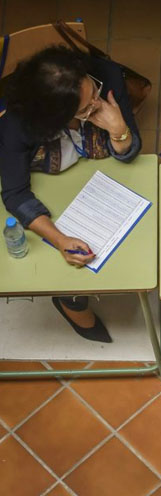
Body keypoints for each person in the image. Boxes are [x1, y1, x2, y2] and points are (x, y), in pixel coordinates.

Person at [0, 46, 141, 343]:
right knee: (65, 262)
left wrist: (118, 130)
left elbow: (130, 154)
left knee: (139, 242)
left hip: (108, 179)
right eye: (87, 108)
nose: (98, 104)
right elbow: (14, 194)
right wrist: (60, 239)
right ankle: (69, 301)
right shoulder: (17, 122)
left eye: (95, 94)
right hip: (51, 183)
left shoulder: (109, 80)